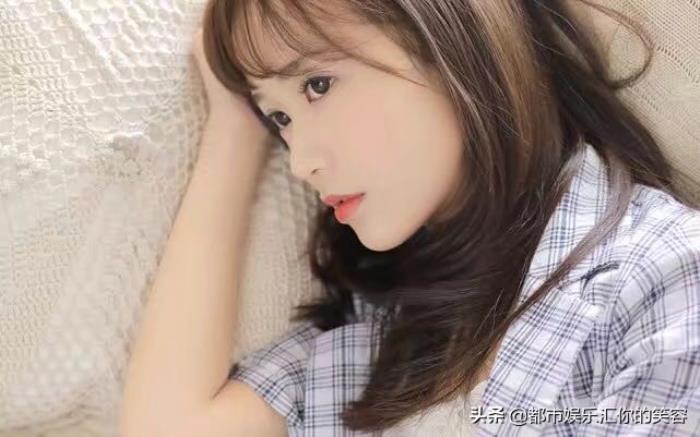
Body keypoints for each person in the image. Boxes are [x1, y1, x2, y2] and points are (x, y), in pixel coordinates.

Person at [119, 0, 700, 436]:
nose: (300, 162)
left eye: (317, 85)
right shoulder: (373, 355)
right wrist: (234, 129)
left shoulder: (667, 276)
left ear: (445, 36)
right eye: (280, 120)